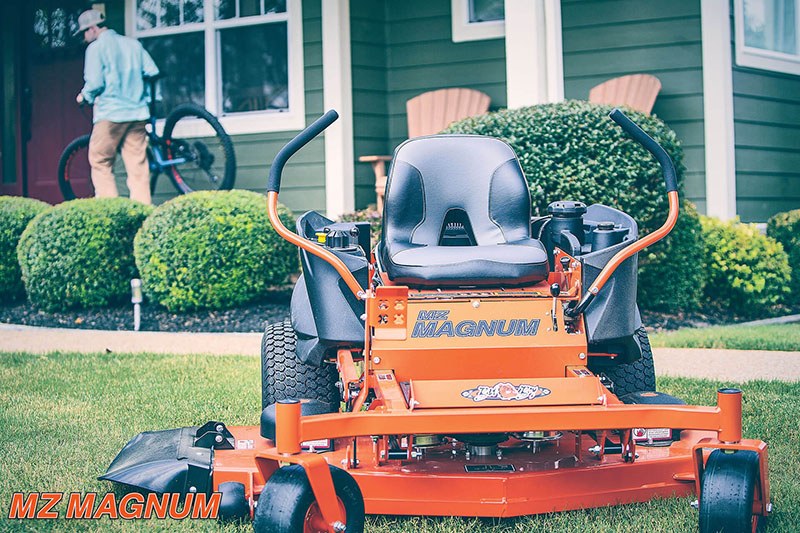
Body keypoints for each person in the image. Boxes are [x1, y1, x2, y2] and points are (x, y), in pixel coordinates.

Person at [75, 9, 159, 205]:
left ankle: (110, 213)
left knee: (100, 161)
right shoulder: (133, 44)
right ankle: (142, 213)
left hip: (111, 114)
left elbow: (95, 83)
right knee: (137, 167)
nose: (84, 38)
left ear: (93, 28)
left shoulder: (95, 49)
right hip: (137, 114)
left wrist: (83, 97)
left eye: (84, 33)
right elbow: (152, 72)